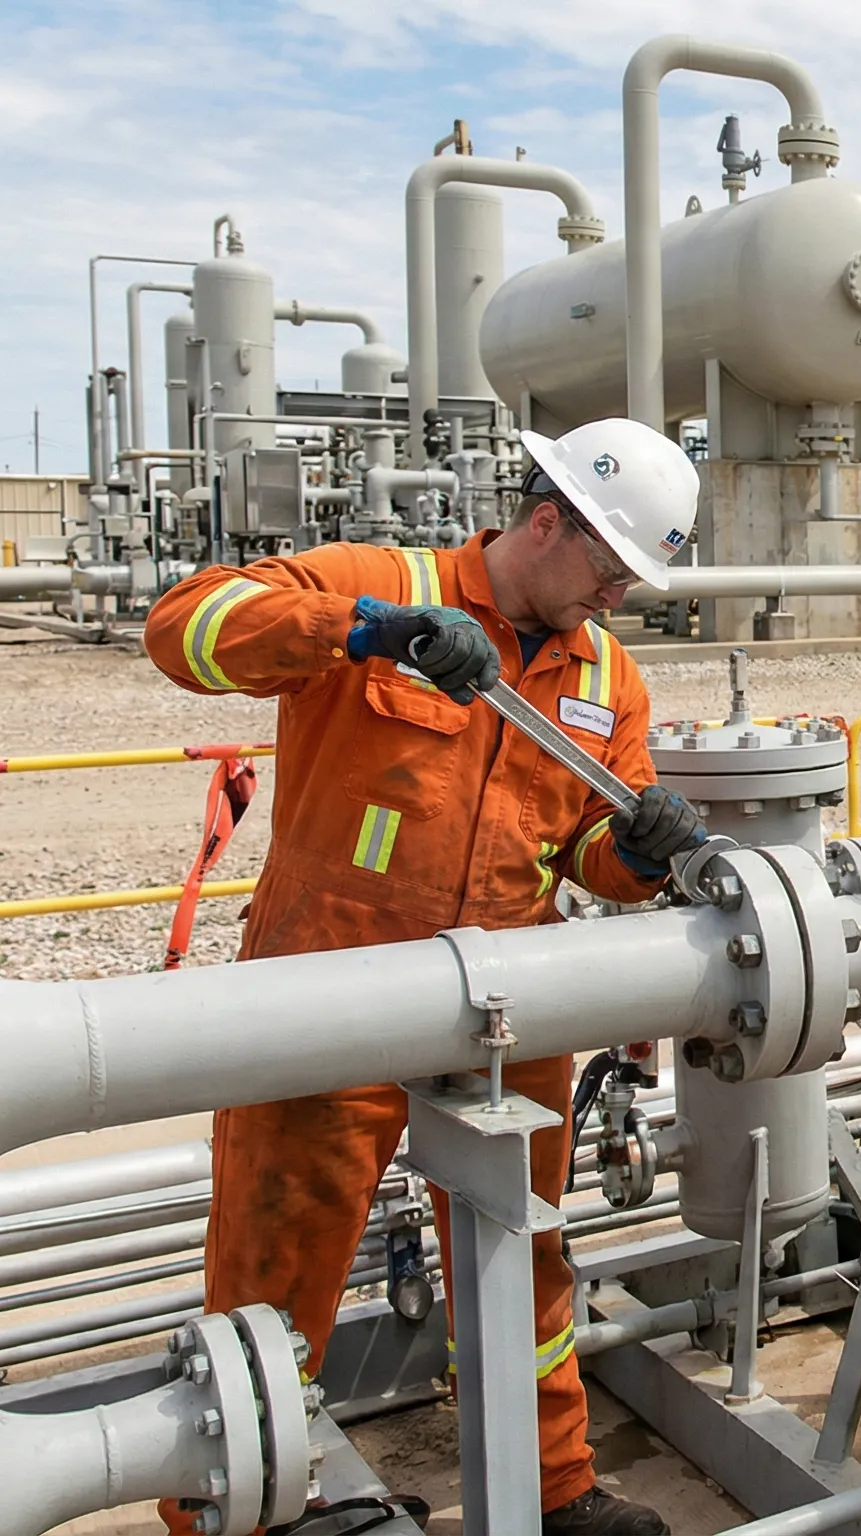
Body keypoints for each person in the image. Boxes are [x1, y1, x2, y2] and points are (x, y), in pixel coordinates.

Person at [144, 419, 710, 1536]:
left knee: (524, 1248)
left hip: (510, 1000)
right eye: (609, 572)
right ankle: (242, 1509)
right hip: (326, 990)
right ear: (548, 524)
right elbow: (184, 630)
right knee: (278, 1257)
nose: (615, 600)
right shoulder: (380, 583)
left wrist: (638, 854)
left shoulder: (605, 675)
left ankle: (550, 1487)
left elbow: (587, 847)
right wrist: (359, 633)